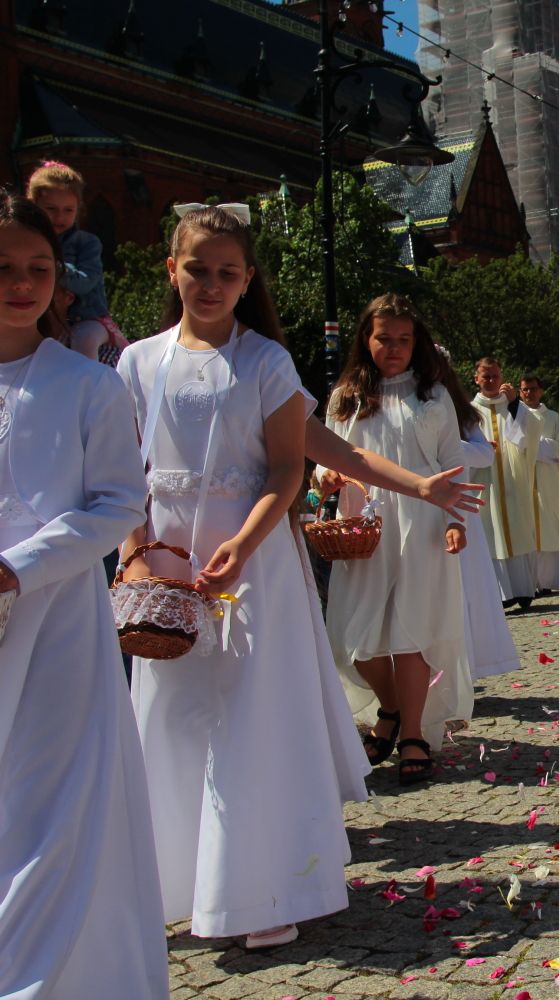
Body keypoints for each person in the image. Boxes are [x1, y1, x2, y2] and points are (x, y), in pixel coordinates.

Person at [117, 205, 367, 950]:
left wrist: (244, 544)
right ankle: (176, 883)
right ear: (172, 270)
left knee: (252, 716)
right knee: (174, 713)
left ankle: (262, 887)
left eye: (228, 273)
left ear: (248, 279)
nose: (211, 284)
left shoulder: (266, 361)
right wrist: (135, 552)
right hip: (168, 558)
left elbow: (287, 467)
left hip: (250, 560)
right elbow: (123, 471)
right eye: (198, 269)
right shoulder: (137, 361)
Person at [0, 192, 168, 997]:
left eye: (37, 268)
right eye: (3, 267)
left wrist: (17, 568)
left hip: (57, 623)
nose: (20, 283)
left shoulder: (86, 385)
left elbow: (119, 505)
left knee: (51, 809)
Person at [319, 293, 471, 786]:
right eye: (384, 338)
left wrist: (455, 520)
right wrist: (324, 476)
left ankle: (413, 733)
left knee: (410, 633)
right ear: (366, 339)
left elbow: (452, 462)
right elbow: (327, 455)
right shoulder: (345, 396)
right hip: (364, 523)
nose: (395, 348)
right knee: (356, 640)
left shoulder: (433, 395)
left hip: (423, 523)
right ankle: (389, 707)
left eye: (404, 339)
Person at [441, 359, 520, 678]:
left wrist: (446, 448)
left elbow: (485, 454)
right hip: (418, 506)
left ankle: (465, 667)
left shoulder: (463, 413)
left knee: (465, 588)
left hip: (458, 506)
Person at [25, 160, 127, 365]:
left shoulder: (86, 243)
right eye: (51, 209)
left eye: (68, 210)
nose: (59, 217)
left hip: (87, 318)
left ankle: (87, 382)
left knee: (84, 340)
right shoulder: (26, 243)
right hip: (42, 318)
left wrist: (54, 266)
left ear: (78, 209)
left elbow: (85, 282)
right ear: (34, 206)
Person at [473, 357, 542, 609]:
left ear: (502, 378)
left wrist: (514, 405)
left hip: (514, 480)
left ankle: (524, 589)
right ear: (476, 379)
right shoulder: (469, 411)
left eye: (495, 376)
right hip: (485, 481)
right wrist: (479, 450)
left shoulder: (512, 406)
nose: (491, 380)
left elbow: (531, 434)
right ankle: (502, 594)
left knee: (518, 530)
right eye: (486, 376)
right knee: (492, 534)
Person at [520, 374, 559, 594]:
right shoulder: (515, 416)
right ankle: (527, 582)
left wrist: (534, 445)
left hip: (549, 484)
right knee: (526, 530)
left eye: (533, 389)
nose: (529, 393)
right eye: (525, 389)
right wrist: (536, 446)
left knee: (550, 529)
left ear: (541, 391)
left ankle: (548, 582)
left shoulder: (552, 417)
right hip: (523, 481)